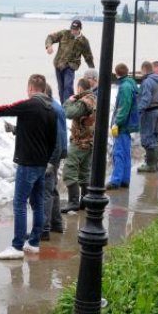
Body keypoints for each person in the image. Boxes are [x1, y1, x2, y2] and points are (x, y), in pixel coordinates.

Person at [0, 74, 57, 260]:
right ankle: (34, 242)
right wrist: (46, 160)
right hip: (41, 165)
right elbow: (52, 140)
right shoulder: (50, 109)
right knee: (37, 203)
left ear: (30, 88)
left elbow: (4, 109)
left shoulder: (29, 105)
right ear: (43, 89)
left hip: (27, 164)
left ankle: (17, 246)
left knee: (19, 203)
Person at [60, 78, 97, 213]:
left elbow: (68, 113)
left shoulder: (84, 102)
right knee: (84, 172)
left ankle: (73, 202)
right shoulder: (93, 98)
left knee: (70, 170)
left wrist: (69, 101)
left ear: (80, 88)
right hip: (89, 141)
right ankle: (85, 201)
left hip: (80, 142)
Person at [45, 20, 95, 103]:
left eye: (75, 29)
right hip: (59, 64)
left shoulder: (84, 41)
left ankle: (69, 105)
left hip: (70, 66)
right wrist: (49, 46)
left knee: (68, 86)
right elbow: (50, 37)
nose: (73, 31)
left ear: (80, 29)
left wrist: (92, 70)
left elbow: (88, 57)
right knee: (61, 88)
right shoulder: (64, 33)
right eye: (72, 29)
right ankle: (63, 106)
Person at [106, 63, 138, 190]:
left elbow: (123, 107)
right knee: (125, 152)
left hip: (123, 126)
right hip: (128, 124)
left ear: (116, 73)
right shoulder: (130, 84)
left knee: (118, 153)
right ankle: (125, 179)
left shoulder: (124, 87)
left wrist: (116, 123)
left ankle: (115, 180)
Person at [42, 84, 67, 239]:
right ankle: (56, 223)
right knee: (52, 189)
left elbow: (56, 137)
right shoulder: (56, 106)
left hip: (52, 155)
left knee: (46, 190)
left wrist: (50, 162)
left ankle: (44, 229)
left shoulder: (52, 109)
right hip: (57, 153)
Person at [137, 61, 158, 173]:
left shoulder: (147, 82)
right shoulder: (157, 80)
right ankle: (154, 164)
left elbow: (146, 99)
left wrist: (138, 110)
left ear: (144, 69)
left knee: (148, 137)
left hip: (149, 112)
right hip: (157, 110)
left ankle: (150, 165)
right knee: (154, 136)